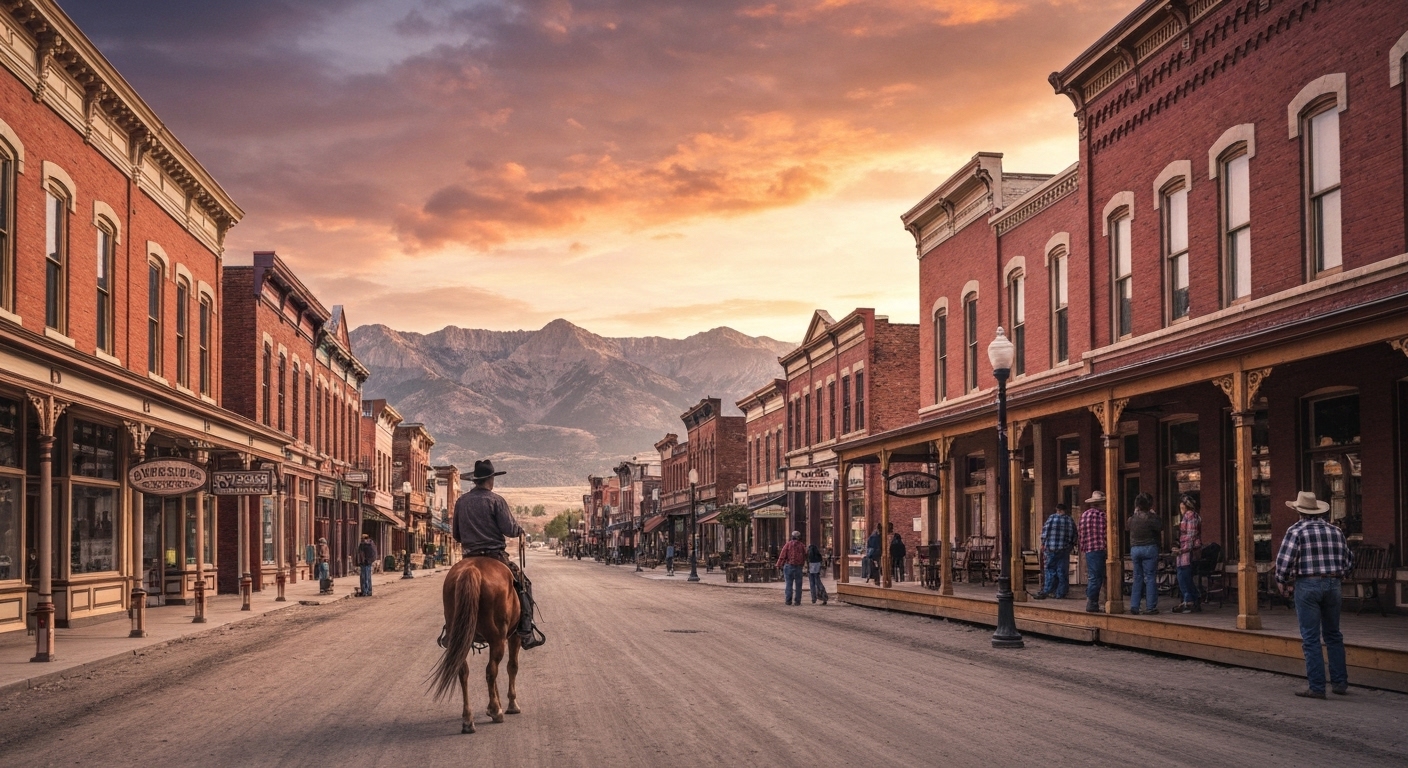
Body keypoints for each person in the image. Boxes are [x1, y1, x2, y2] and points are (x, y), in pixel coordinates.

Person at [452, 459, 544, 649]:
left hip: (468, 556)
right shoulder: (496, 500)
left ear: (475, 480)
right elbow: (509, 528)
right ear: (490, 480)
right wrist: (520, 530)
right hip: (495, 556)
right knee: (524, 584)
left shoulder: (461, 502)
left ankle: (450, 630)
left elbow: (456, 535)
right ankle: (526, 631)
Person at [1275, 491, 1353, 698]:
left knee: (1311, 638)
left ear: (1299, 512)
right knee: (1333, 634)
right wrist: (1339, 574)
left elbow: (1284, 561)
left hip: (1307, 585)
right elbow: (1348, 560)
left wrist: (1281, 580)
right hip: (1333, 584)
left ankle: (1317, 687)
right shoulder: (1336, 531)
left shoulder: (1296, 531)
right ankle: (1340, 683)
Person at [1127, 493, 1162, 615]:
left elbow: (1128, 527)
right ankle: (1150, 607)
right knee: (1150, 577)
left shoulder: (1132, 519)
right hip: (1149, 547)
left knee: (1137, 577)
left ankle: (1134, 605)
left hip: (1135, 549)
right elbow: (1160, 526)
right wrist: (1153, 514)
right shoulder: (1151, 518)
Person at [1035, 503, 1077, 600]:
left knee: (1050, 569)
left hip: (1051, 548)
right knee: (1062, 571)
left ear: (1057, 509)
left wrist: (1043, 544)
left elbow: (1045, 533)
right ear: (1065, 510)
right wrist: (1070, 546)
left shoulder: (1052, 518)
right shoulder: (1069, 520)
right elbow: (1074, 535)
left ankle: (1048, 590)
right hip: (1064, 549)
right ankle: (1061, 593)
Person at [1172, 493, 1203, 614]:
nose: (1181, 509)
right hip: (1183, 551)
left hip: (1188, 551)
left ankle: (1190, 599)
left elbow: (1191, 535)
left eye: (1183, 506)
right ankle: (1191, 599)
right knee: (1182, 575)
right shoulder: (1188, 517)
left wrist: (1182, 549)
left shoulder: (1190, 516)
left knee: (1184, 575)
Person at [1078, 491, 1108, 613]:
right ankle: (1092, 603)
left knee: (1092, 576)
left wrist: (1083, 548)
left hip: (1089, 550)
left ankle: (1092, 600)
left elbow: (1081, 534)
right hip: (1100, 548)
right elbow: (1106, 533)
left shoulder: (1084, 515)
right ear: (1100, 503)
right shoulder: (1102, 516)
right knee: (1097, 577)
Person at [776, 531, 806, 606]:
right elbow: (805, 555)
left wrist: (778, 565)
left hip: (789, 566)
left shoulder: (788, 545)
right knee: (798, 585)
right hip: (798, 567)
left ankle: (788, 601)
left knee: (788, 584)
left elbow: (782, 556)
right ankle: (797, 601)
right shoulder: (802, 546)